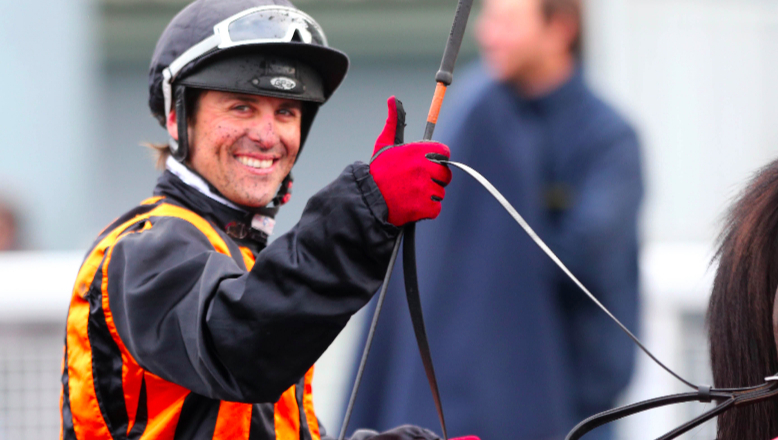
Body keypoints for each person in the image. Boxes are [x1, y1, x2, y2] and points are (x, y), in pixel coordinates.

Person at [58, 1, 471, 439]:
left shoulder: (248, 261)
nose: (267, 135)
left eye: (286, 112)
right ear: (178, 118)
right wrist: (366, 208)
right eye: (241, 106)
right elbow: (240, 344)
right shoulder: (139, 250)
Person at [347, 0, 643, 439]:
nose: (487, 34)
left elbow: (588, 258)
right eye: (488, 18)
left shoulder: (605, 139)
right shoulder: (472, 115)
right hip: (454, 402)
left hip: (572, 408)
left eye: (507, 22)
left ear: (560, 28)